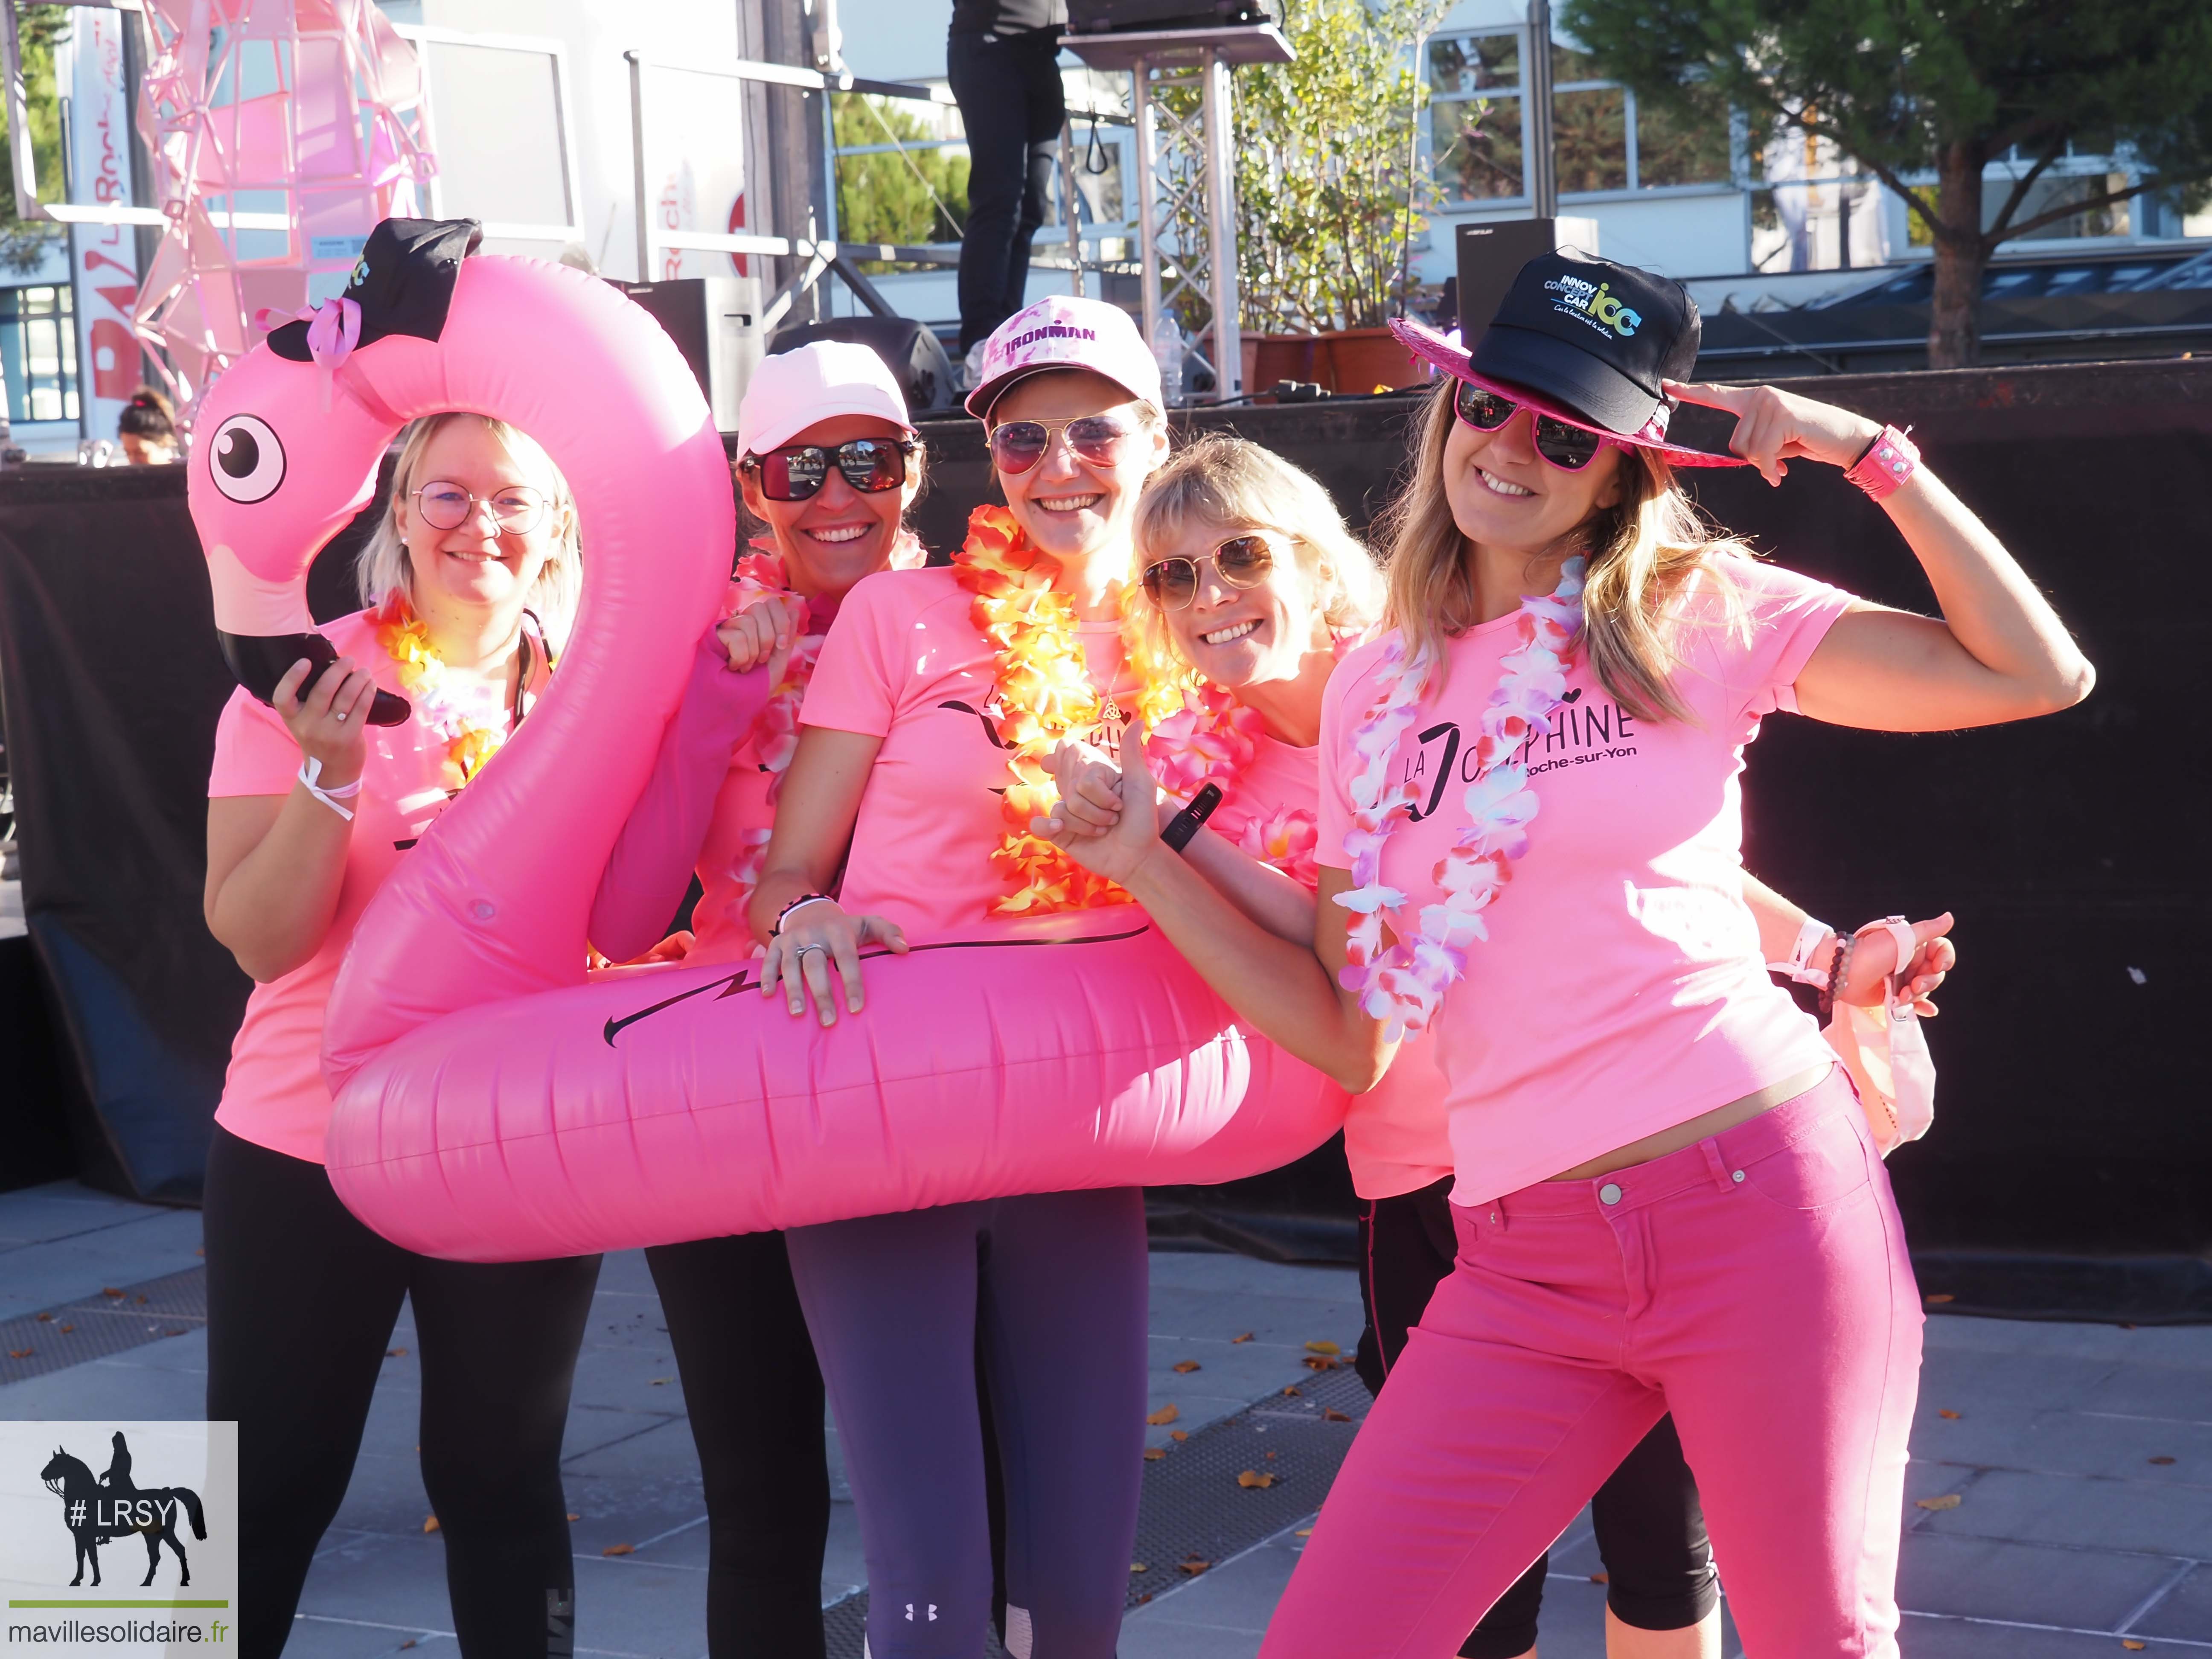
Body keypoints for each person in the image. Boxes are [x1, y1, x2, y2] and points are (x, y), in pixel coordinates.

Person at [1026, 249, 2092, 1655]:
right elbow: (1356, 1030)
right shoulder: (1373, 689)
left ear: (1617, 469)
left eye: (1566, 431)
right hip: (1520, 1255)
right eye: (1489, 409)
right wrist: (1140, 859)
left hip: (1754, 1203)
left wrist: (1862, 453)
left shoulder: (1693, 611)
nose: (1512, 449)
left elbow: (2034, 672)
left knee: (1813, 1638)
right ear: (1447, 414)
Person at [739, 294, 1166, 1659]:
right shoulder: (900, 616)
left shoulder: (1201, 620)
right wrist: (799, 916)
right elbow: (785, 870)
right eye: (1025, 438)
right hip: (882, 1107)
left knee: (1081, 1605)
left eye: (1093, 430)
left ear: (1153, 439)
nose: (1060, 466)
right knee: (928, 1596)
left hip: (1081, 1132)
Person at [202, 411, 597, 1659]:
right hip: (304, 1138)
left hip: (518, 1146)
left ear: (559, 527)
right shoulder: (305, 677)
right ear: (399, 510)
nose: (482, 522)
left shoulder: (601, 688)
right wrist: (327, 779)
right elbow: (258, 942)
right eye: (449, 494)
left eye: (516, 498)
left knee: (501, 1485)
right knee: (258, 1490)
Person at [585, 341, 930, 1659]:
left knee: (949, 1488)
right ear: (750, 483)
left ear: (913, 472)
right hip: (727, 1092)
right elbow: (623, 919)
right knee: (764, 1495)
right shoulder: (696, 643)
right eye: (806, 468)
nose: (842, 497)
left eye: (874, 461)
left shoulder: (973, 626)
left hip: (922, 1095)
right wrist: (715, 701)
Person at [946, 0, 1067, 383]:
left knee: (1032, 204)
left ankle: (1009, 337)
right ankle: (981, 341)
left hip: (1044, 52)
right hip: (991, 46)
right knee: (999, 197)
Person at [118, 387, 179, 465]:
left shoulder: (190, 475)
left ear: (164, 443)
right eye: (128, 454)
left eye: (140, 453)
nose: (133, 461)